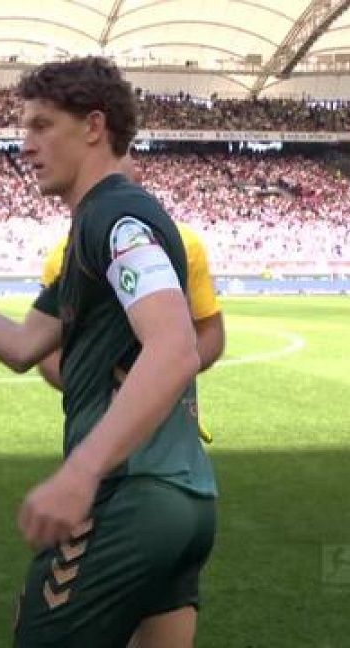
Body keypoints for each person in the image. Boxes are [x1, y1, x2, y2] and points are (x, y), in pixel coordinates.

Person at [0, 57, 217, 647]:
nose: (26, 144)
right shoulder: (90, 233)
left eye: (42, 126)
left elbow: (175, 348)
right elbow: (24, 346)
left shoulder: (115, 216)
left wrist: (81, 472)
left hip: (128, 497)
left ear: (93, 126)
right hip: (185, 499)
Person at [37, 157, 225, 443]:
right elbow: (42, 350)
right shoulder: (61, 257)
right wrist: (93, 390)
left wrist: (161, 380)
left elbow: (210, 332)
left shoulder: (186, 243)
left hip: (169, 423)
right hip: (95, 421)